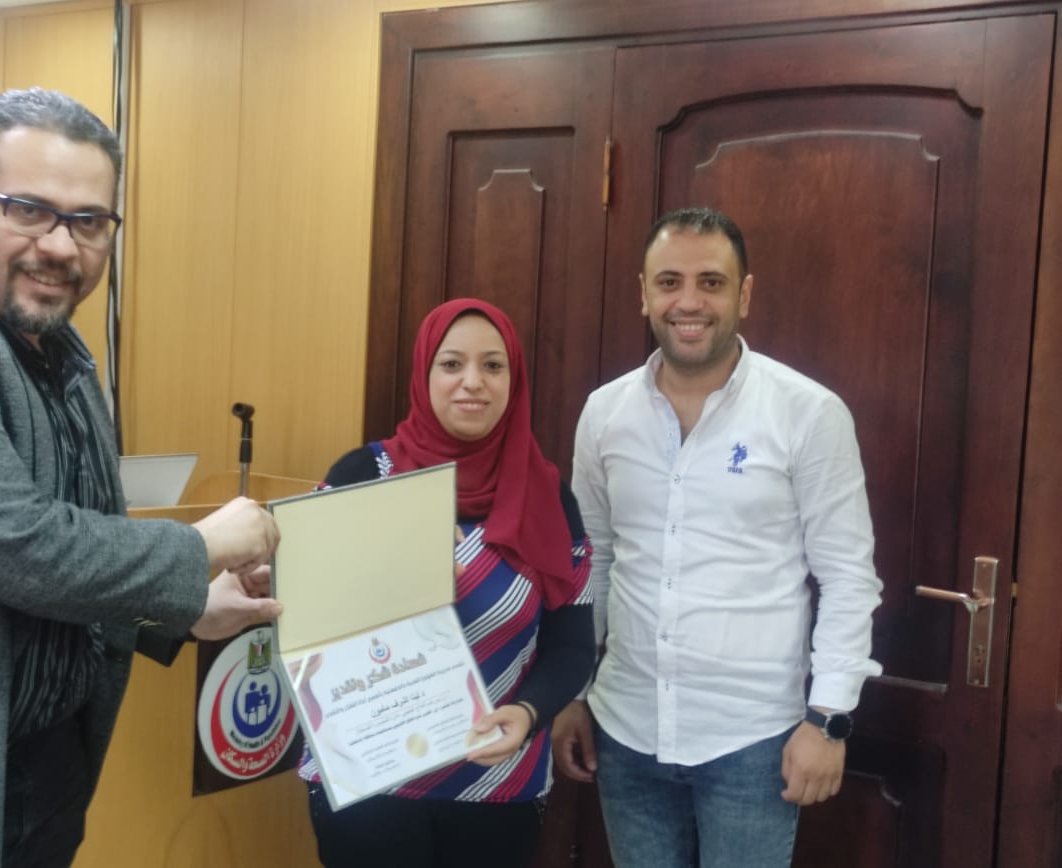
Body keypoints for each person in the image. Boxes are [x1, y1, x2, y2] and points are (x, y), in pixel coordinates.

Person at [0, 88, 284, 868]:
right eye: (29, 210)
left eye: (88, 222)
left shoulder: (59, 347)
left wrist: (183, 614)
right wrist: (201, 549)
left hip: (49, 769)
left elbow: (70, 563)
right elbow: (16, 546)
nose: (61, 246)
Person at [551, 207, 883, 868]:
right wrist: (573, 693)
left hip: (753, 744)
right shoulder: (605, 413)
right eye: (669, 282)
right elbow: (593, 561)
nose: (689, 302)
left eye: (711, 282)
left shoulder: (808, 413)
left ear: (744, 294)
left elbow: (848, 576)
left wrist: (828, 719)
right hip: (626, 731)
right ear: (643, 293)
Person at [302, 298, 595, 868]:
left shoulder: (549, 496)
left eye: (493, 366)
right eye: (452, 364)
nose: (473, 382)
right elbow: (302, 618)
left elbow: (572, 646)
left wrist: (530, 713)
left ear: (514, 379)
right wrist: (397, 576)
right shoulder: (364, 476)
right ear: (424, 373)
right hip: (369, 779)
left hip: (496, 783)